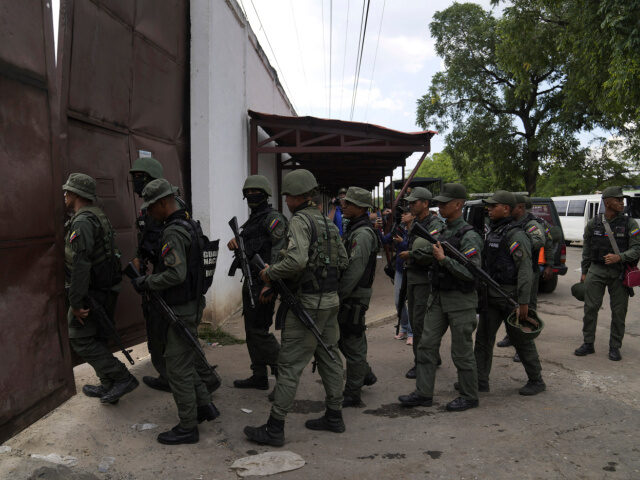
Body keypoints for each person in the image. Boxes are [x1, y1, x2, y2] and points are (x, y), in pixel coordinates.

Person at [244, 169, 348, 447]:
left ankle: (275, 428)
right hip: (329, 301)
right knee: (329, 357)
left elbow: (296, 261)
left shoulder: (301, 221)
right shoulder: (327, 223)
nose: (286, 201)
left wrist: (270, 274)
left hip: (308, 305)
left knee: (289, 366)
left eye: (287, 195)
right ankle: (334, 416)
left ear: (296, 196)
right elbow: (344, 261)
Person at [134, 179, 219, 445]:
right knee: (183, 360)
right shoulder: (189, 224)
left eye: (150, 207)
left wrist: (146, 282)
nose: (149, 213)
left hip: (179, 309)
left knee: (177, 368)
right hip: (190, 305)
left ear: (162, 203)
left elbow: (176, 273)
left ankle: (187, 427)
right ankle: (205, 406)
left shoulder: (172, 232)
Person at [398, 183, 482, 411]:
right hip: (438, 297)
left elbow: (472, 273)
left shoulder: (469, 236)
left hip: (460, 301)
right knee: (426, 345)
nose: (441, 206)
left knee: (461, 351)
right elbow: (428, 253)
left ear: (458, 205)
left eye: (445, 203)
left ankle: (469, 395)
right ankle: (423, 392)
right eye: (440, 202)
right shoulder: (444, 231)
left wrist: (445, 260)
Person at [63, 173, 138, 404]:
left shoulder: (83, 222)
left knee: (81, 339)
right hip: (103, 288)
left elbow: (81, 265)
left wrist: (75, 303)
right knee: (97, 337)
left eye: (67, 191)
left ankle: (121, 377)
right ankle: (109, 385)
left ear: (76, 194)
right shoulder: (97, 216)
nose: (64, 195)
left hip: (91, 291)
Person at [473, 190, 546, 396]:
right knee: (483, 339)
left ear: (506, 208)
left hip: (510, 298)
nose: (489, 209)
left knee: (522, 340)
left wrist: (523, 302)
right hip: (491, 296)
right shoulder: (495, 231)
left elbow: (525, 270)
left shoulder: (516, 234)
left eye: (493, 206)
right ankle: (480, 381)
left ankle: (536, 380)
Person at [227, 175, 287, 392]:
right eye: (248, 192)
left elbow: (280, 252)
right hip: (251, 281)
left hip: (264, 283)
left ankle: (284, 375)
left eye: (256, 192)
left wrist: (270, 283)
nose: (252, 195)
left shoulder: (273, 219)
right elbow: (248, 245)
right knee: (251, 331)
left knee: (260, 331)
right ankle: (259, 375)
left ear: (266, 194)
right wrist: (235, 243)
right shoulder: (253, 220)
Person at [575, 186, 640, 361]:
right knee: (590, 308)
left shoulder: (630, 224)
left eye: (622, 200)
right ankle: (588, 343)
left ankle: (615, 347)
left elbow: (637, 249)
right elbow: (587, 249)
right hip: (596, 270)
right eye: (618, 200)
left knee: (619, 312)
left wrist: (620, 257)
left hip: (619, 273)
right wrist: (584, 271)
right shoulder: (594, 223)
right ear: (607, 202)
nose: (622, 203)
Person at [338, 187, 381, 407]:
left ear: (362, 208)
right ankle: (365, 374)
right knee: (346, 339)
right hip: (351, 294)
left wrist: (339, 295)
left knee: (353, 342)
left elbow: (355, 270)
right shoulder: (355, 228)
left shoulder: (362, 233)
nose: (344, 206)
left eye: (349, 203)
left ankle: (353, 393)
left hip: (354, 295)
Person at [398, 187, 445, 378]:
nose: (410, 205)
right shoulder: (416, 222)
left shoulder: (434, 224)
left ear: (425, 203)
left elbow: (433, 249)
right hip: (413, 276)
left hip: (425, 278)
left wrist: (412, 254)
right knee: (418, 320)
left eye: (414, 202)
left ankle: (422, 362)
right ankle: (432, 356)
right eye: (409, 202)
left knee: (420, 323)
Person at [496, 194, 547, 360]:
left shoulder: (531, 223)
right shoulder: (510, 223)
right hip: (511, 272)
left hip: (528, 271)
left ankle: (524, 345)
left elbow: (539, 240)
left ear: (520, 207)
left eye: (513, 206)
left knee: (527, 308)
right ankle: (510, 336)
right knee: (511, 306)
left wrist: (519, 243)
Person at [380, 207, 414, 344]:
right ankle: (404, 328)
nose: (403, 216)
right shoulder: (398, 228)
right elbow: (384, 241)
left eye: (406, 213)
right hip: (400, 269)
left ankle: (412, 332)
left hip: (413, 269)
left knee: (412, 302)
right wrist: (378, 229)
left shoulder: (417, 229)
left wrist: (402, 243)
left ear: (412, 216)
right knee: (398, 301)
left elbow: (416, 248)